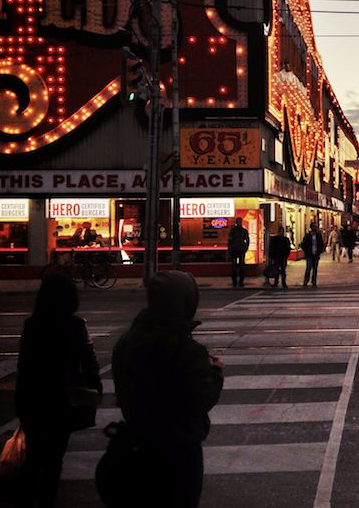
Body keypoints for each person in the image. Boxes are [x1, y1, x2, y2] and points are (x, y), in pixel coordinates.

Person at [111, 271, 224, 508]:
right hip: (179, 448)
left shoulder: (128, 341)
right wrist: (215, 372)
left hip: (137, 441)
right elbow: (200, 398)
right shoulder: (186, 349)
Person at [15, 273, 102, 508]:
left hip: (33, 398)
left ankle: (25, 496)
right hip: (61, 400)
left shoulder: (32, 325)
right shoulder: (75, 325)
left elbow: (24, 366)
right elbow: (89, 361)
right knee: (53, 458)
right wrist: (95, 388)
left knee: (34, 454)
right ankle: (45, 499)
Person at [300, 222, 325, 287]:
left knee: (315, 269)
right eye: (314, 226)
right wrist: (306, 251)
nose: (315, 228)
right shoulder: (308, 236)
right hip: (309, 255)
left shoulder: (318, 235)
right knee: (308, 268)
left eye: (316, 226)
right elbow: (303, 244)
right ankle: (306, 281)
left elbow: (321, 244)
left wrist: (320, 251)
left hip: (316, 254)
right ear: (311, 227)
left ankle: (314, 281)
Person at [227, 217, 249, 287]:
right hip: (234, 250)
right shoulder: (233, 231)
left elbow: (247, 239)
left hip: (241, 250)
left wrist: (246, 248)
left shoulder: (244, 231)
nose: (239, 223)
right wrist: (230, 249)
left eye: (240, 221)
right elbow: (229, 241)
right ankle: (235, 282)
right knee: (234, 266)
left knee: (241, 266)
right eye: (238, 222)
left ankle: (241, 282)